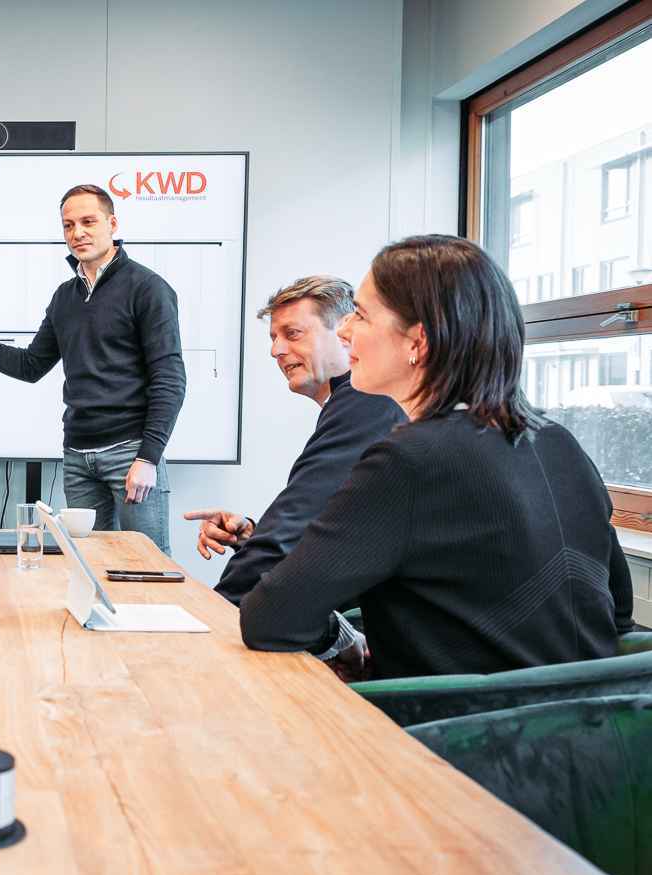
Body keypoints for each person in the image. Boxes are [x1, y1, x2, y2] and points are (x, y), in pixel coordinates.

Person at [241, 235, 634, 680]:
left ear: (418, 342)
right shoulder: (560, 442)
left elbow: (270, 619)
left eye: (362, 316)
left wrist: (344, 640)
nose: (346, 330)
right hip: (588, 731)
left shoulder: (409, 459)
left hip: (442, 734)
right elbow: (616, 611)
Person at [0, 184, 185, 552]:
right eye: (68, 225)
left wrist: (148, 458)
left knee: (147, 567)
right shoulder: (65, 297)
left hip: (130, 454)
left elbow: (170, 379)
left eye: (88, 221)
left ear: (112, 223)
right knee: (85, 565)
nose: (77, 233)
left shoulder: (148, 288)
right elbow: (30, 365)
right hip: (79, 458)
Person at [184, 276, 404, 605]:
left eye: (293, 334)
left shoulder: (366, 401)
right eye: (274, 338)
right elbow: (320, 527)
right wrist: (250, 534)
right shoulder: (356, 404)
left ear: (345, 333)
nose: (276, 350)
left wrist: (218, 613)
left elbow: (289, 532)